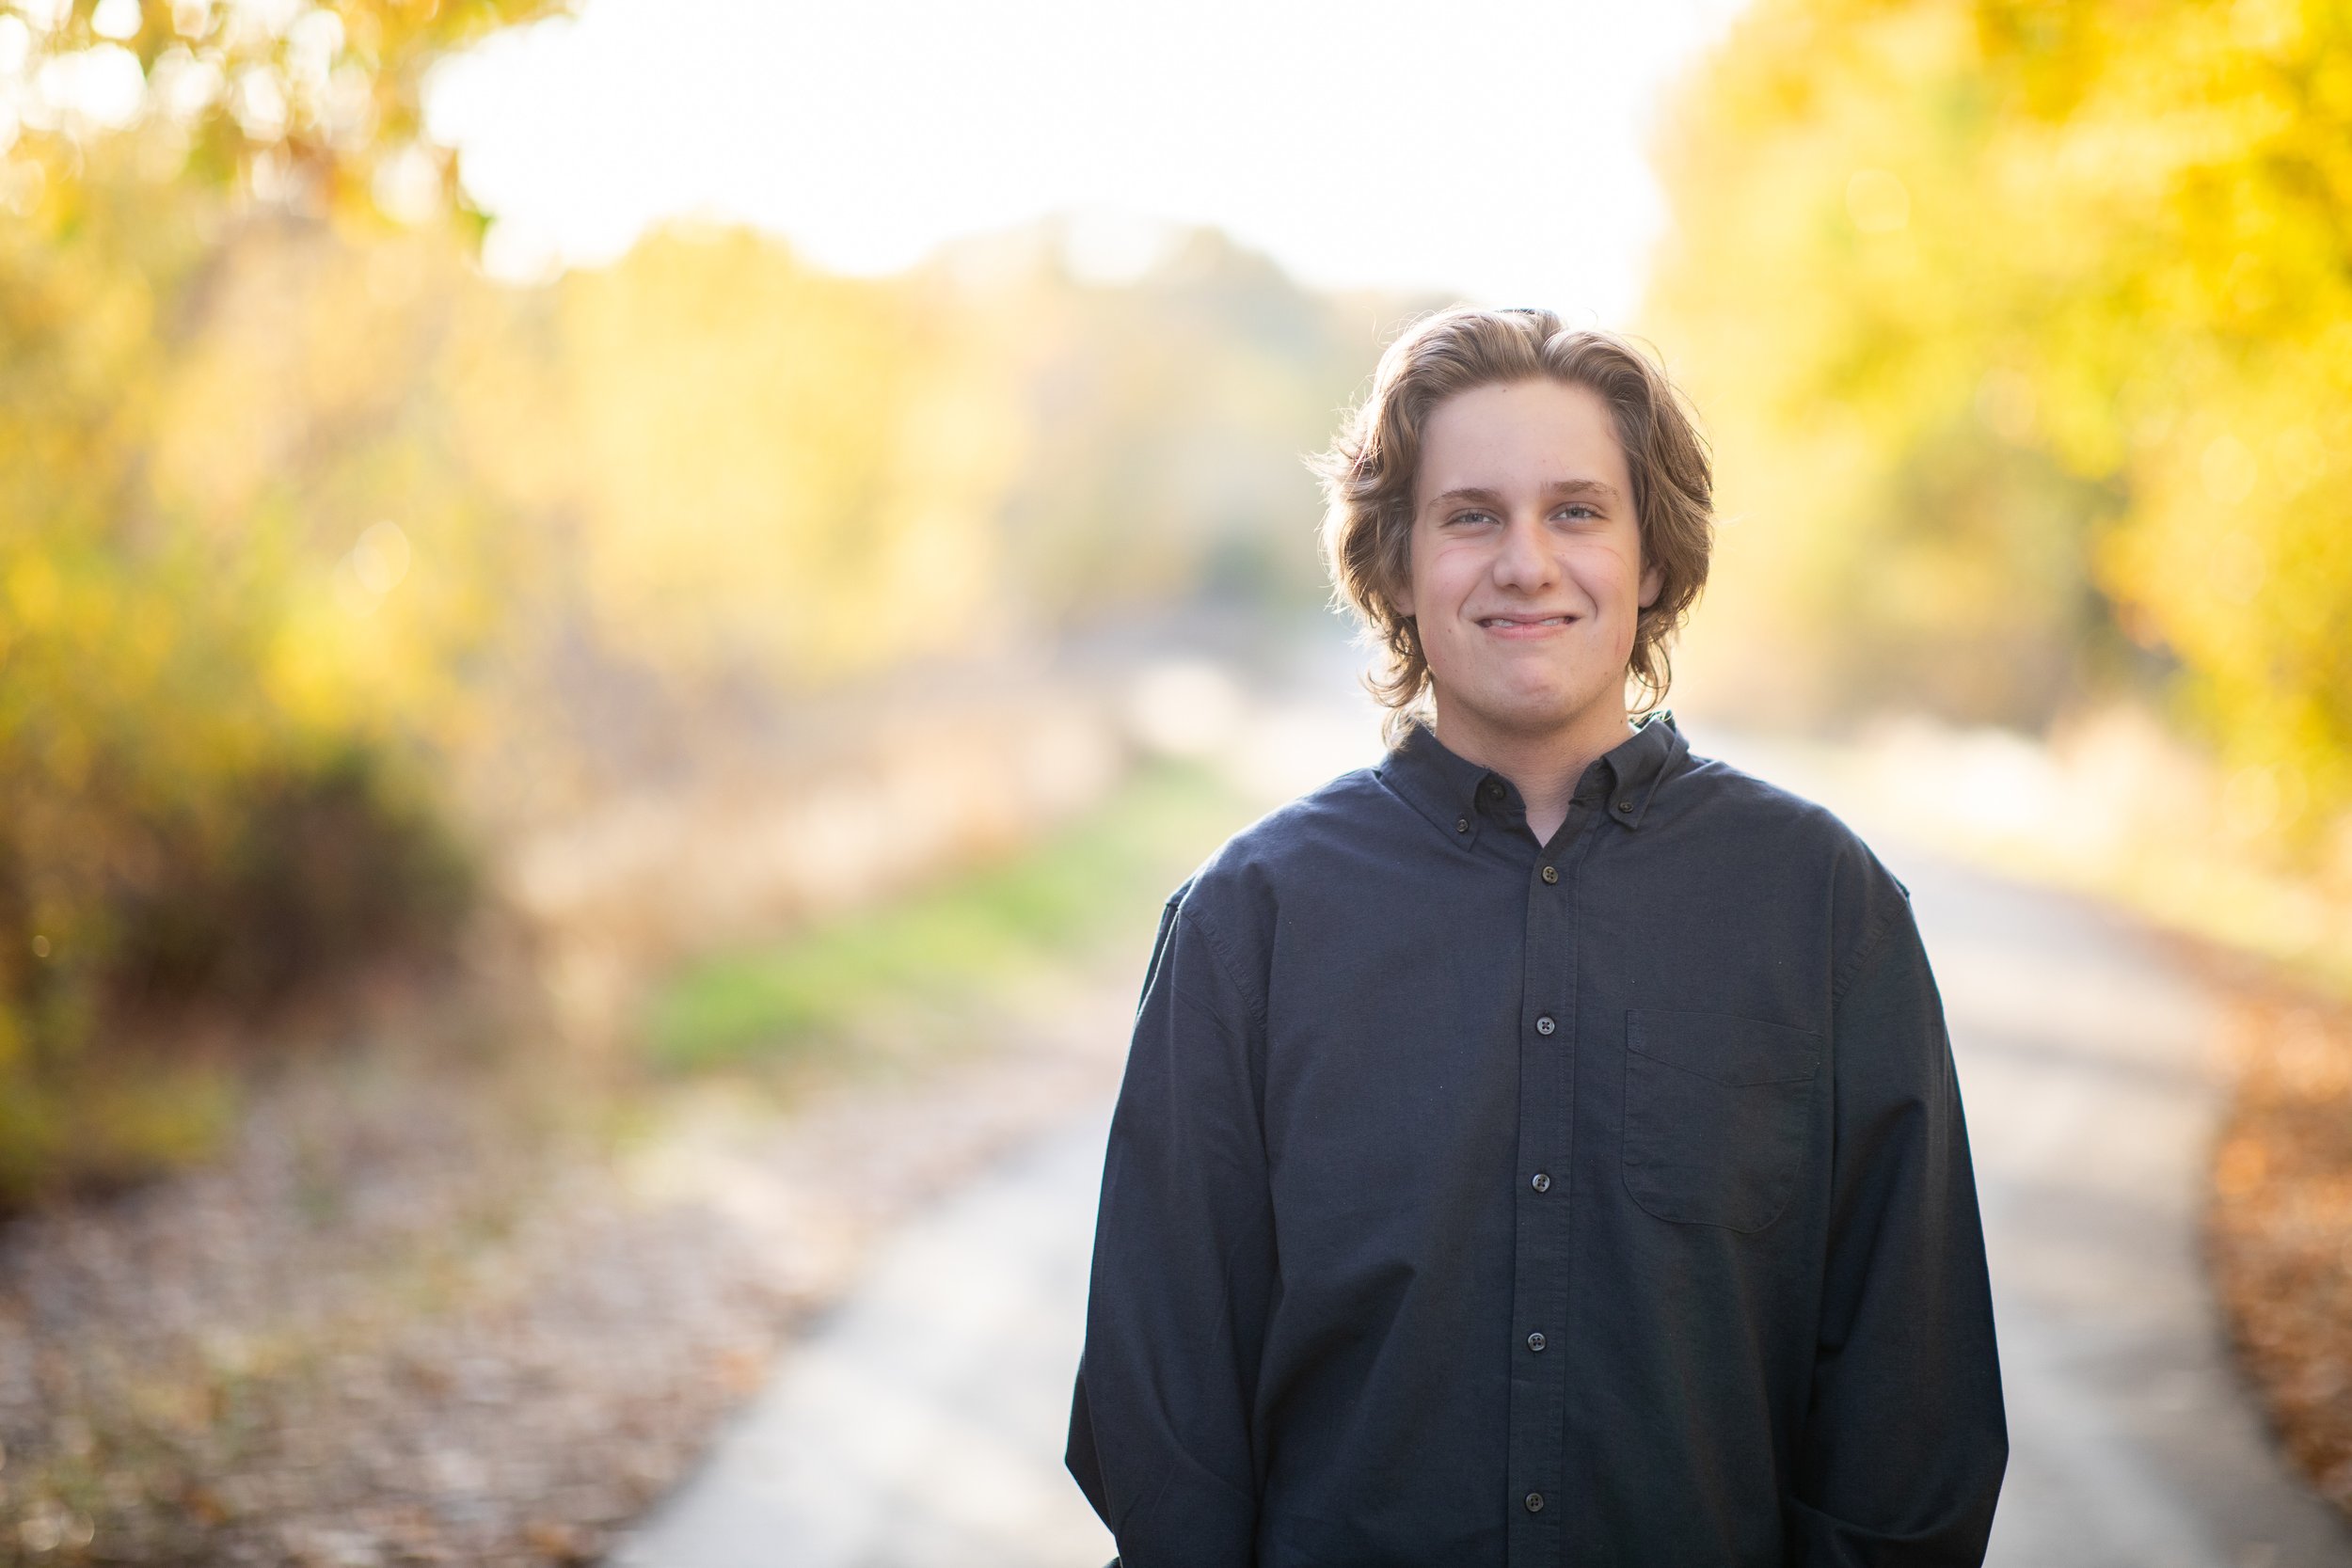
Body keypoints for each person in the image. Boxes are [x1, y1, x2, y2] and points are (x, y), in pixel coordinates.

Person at [1065, 307, 2006, 1567]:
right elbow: (1161, 1418)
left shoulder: (1824, 911)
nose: (1526, 563)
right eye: (1470, 516)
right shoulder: (1250, 925)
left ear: (1652, 557)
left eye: (1576, 511)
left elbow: (1915, 1414)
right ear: (1395, 567)